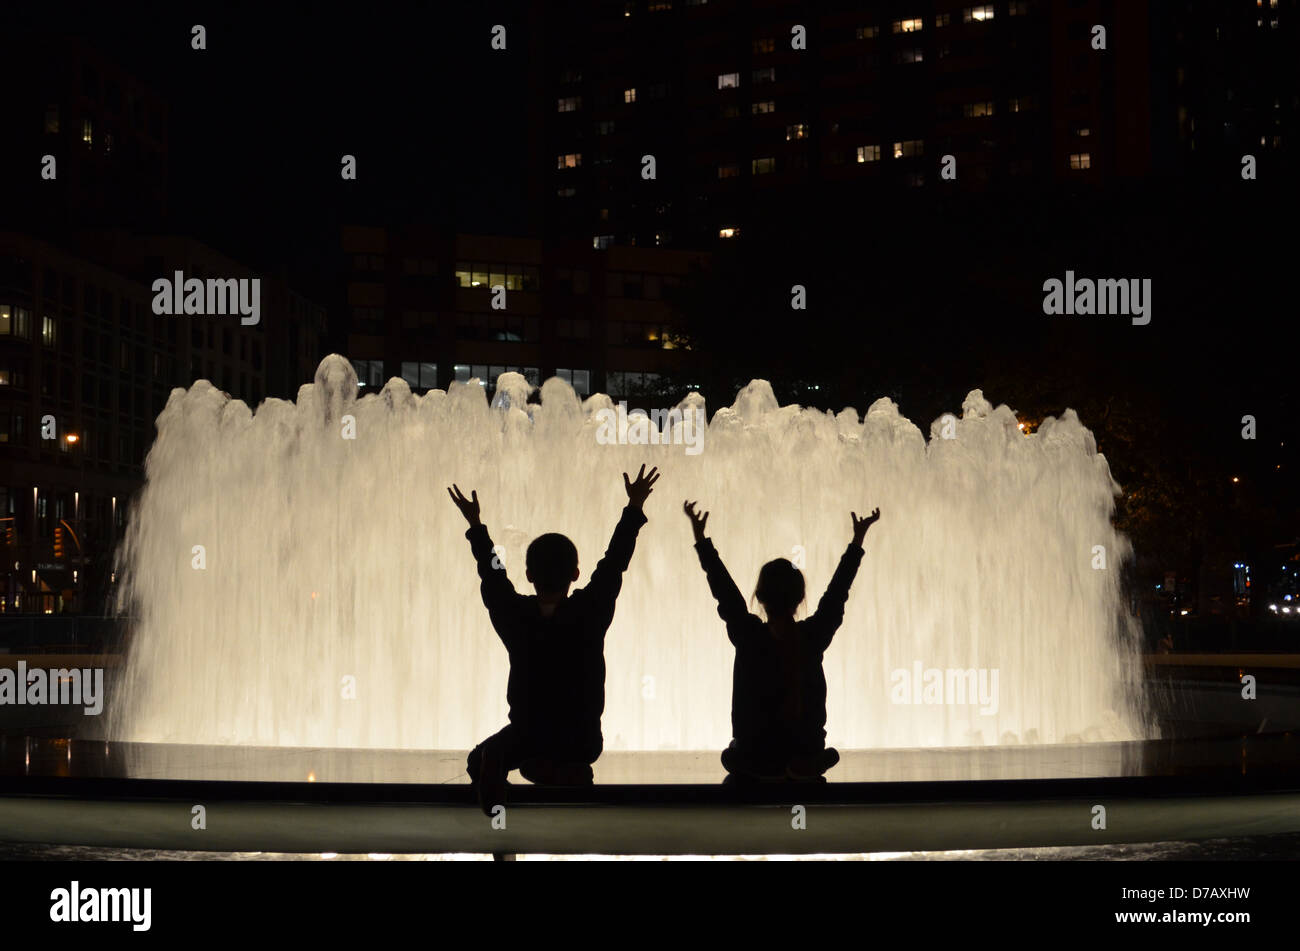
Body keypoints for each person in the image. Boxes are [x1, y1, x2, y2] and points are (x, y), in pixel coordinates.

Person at [449, 465, 659, 814]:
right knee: (505, 757)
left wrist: (476, 526)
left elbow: (493, 577)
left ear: (529, 574)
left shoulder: (515, 616)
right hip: (583, 739)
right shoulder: (589, 612)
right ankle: (560, 771)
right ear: (576, 574)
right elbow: (613, 563)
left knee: (483, 759)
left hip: (528, 735)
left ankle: (504, 833)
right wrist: (634, 507)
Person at [684, 500, 879, 782]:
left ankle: (768, 768)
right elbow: (837, 594)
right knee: (827, 754)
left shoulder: (747, 634)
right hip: (804, 752)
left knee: (731, 756)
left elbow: (724, 591)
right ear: (800, 598)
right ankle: (803, 764)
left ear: (759, 598)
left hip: (754, 757)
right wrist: (857, 541)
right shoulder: (813, 636)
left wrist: (701, 539)